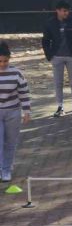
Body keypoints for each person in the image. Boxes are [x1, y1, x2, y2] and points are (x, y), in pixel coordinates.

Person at [42, 0, 72, 117]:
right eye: (64, 11)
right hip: (57, 57)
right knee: (58, 83)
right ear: (57, 11)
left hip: (71, 57)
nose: (66, 13)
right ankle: (60, 106)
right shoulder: (50, 23)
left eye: (67, 11)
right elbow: (45, 41)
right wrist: (50, 56)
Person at [0, 41, 31, 182]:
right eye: (0, 61)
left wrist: (27, 111)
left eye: (5, 61)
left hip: (13, 111)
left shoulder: (17, 73)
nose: (2, 64)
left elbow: (24, 93)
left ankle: (7, 169)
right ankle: (2, 168)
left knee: (10, 142)